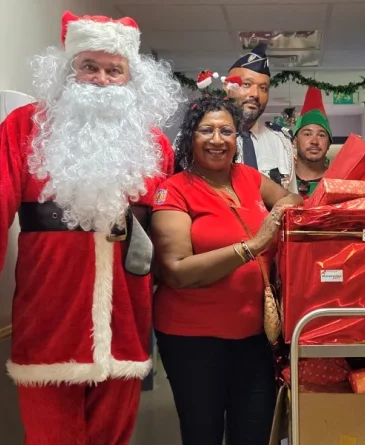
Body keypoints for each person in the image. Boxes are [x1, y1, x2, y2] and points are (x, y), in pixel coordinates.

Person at [0, 11, 183, 445]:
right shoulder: (23, 129)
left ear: (131, 78)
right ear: (67, 69)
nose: (100, 79)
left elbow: (165, 236)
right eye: (88, 66)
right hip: (49, 322)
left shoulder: (155, 145)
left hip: (126, 325)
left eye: (114, 70)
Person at [150, 93, 303, 445]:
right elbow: (176, 270)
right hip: (193, 341)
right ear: (191, 137)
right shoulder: (174, 191)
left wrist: (282, 210)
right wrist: (253, 246)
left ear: (237, 137)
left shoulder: (248, 177)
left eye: (227, 131)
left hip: (255, 338)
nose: (217, 140)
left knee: (254, 432)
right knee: (202, 433)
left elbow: (292, 198)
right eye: (207, 130)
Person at [226, 43, 297, 193]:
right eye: (246, 84)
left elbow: (291, 202)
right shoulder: (202, 138)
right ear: (228, 87)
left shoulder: (281, 142)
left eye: (263, 88)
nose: (255, 94)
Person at [293, 87, 332, 198]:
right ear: (295, 141)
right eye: (307, 134)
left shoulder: (338, 183)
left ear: (329, 143)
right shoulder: (281, 182)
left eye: (321, 135)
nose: (314, 141)